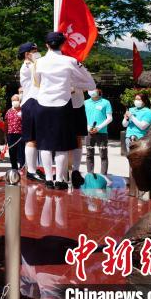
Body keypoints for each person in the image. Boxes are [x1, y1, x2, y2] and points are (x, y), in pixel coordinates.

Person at [34, 32, 96, 189]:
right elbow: (91, 84)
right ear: (63, 44)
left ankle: (49, 178)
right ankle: (60, 179)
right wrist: (71, 82)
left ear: (47, 45)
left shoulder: (39, 62)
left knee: (45, 144)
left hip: (43, 104)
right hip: (62, 105)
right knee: (62, 145)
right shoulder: (71, 61)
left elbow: (37, 83)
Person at [18, 42, 43, 182]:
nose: (37, 53)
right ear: (28, 54)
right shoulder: (28, 66)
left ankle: (35, 167)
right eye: (35, 50)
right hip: (30, 102)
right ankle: (31, 170)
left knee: (37, 139)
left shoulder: (34, 65)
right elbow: (39, 71)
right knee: (31, 139)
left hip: (37, 102)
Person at [84, 88, 112, 175]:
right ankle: (90, 173)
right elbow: (82, 117)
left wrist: (99, 127)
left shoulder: (105, 102)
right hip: (89, 132)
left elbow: (110, 118)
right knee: (89, 154)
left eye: (93, 89)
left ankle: (103, 175)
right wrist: (88, 127)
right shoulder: (85, 102)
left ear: (99, 92)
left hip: (102, 132)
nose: (91, 91)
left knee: (103, 154)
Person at [5, 94, 25, 170]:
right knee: (12, 152)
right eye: (13, 100)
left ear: (19, 101)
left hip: (21, 135)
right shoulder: (9, 111)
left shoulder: (23, 110)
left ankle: (22, 166)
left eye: (16, 100)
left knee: (21, 152)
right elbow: (6, 123)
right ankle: (14, 167)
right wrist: (5, 135)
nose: (15, 102)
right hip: (11, 134)